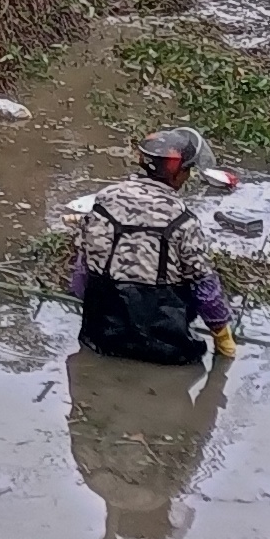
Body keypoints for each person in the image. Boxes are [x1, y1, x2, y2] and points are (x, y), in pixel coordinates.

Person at [74, 126, 238, 366]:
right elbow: (205, 287)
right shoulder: (182, 219)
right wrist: (223, 337)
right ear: (177, 174)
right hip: (163, 345)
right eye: (187, 170)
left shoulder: (103, 200)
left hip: (100, 336)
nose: (188, 176)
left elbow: (81, 273)